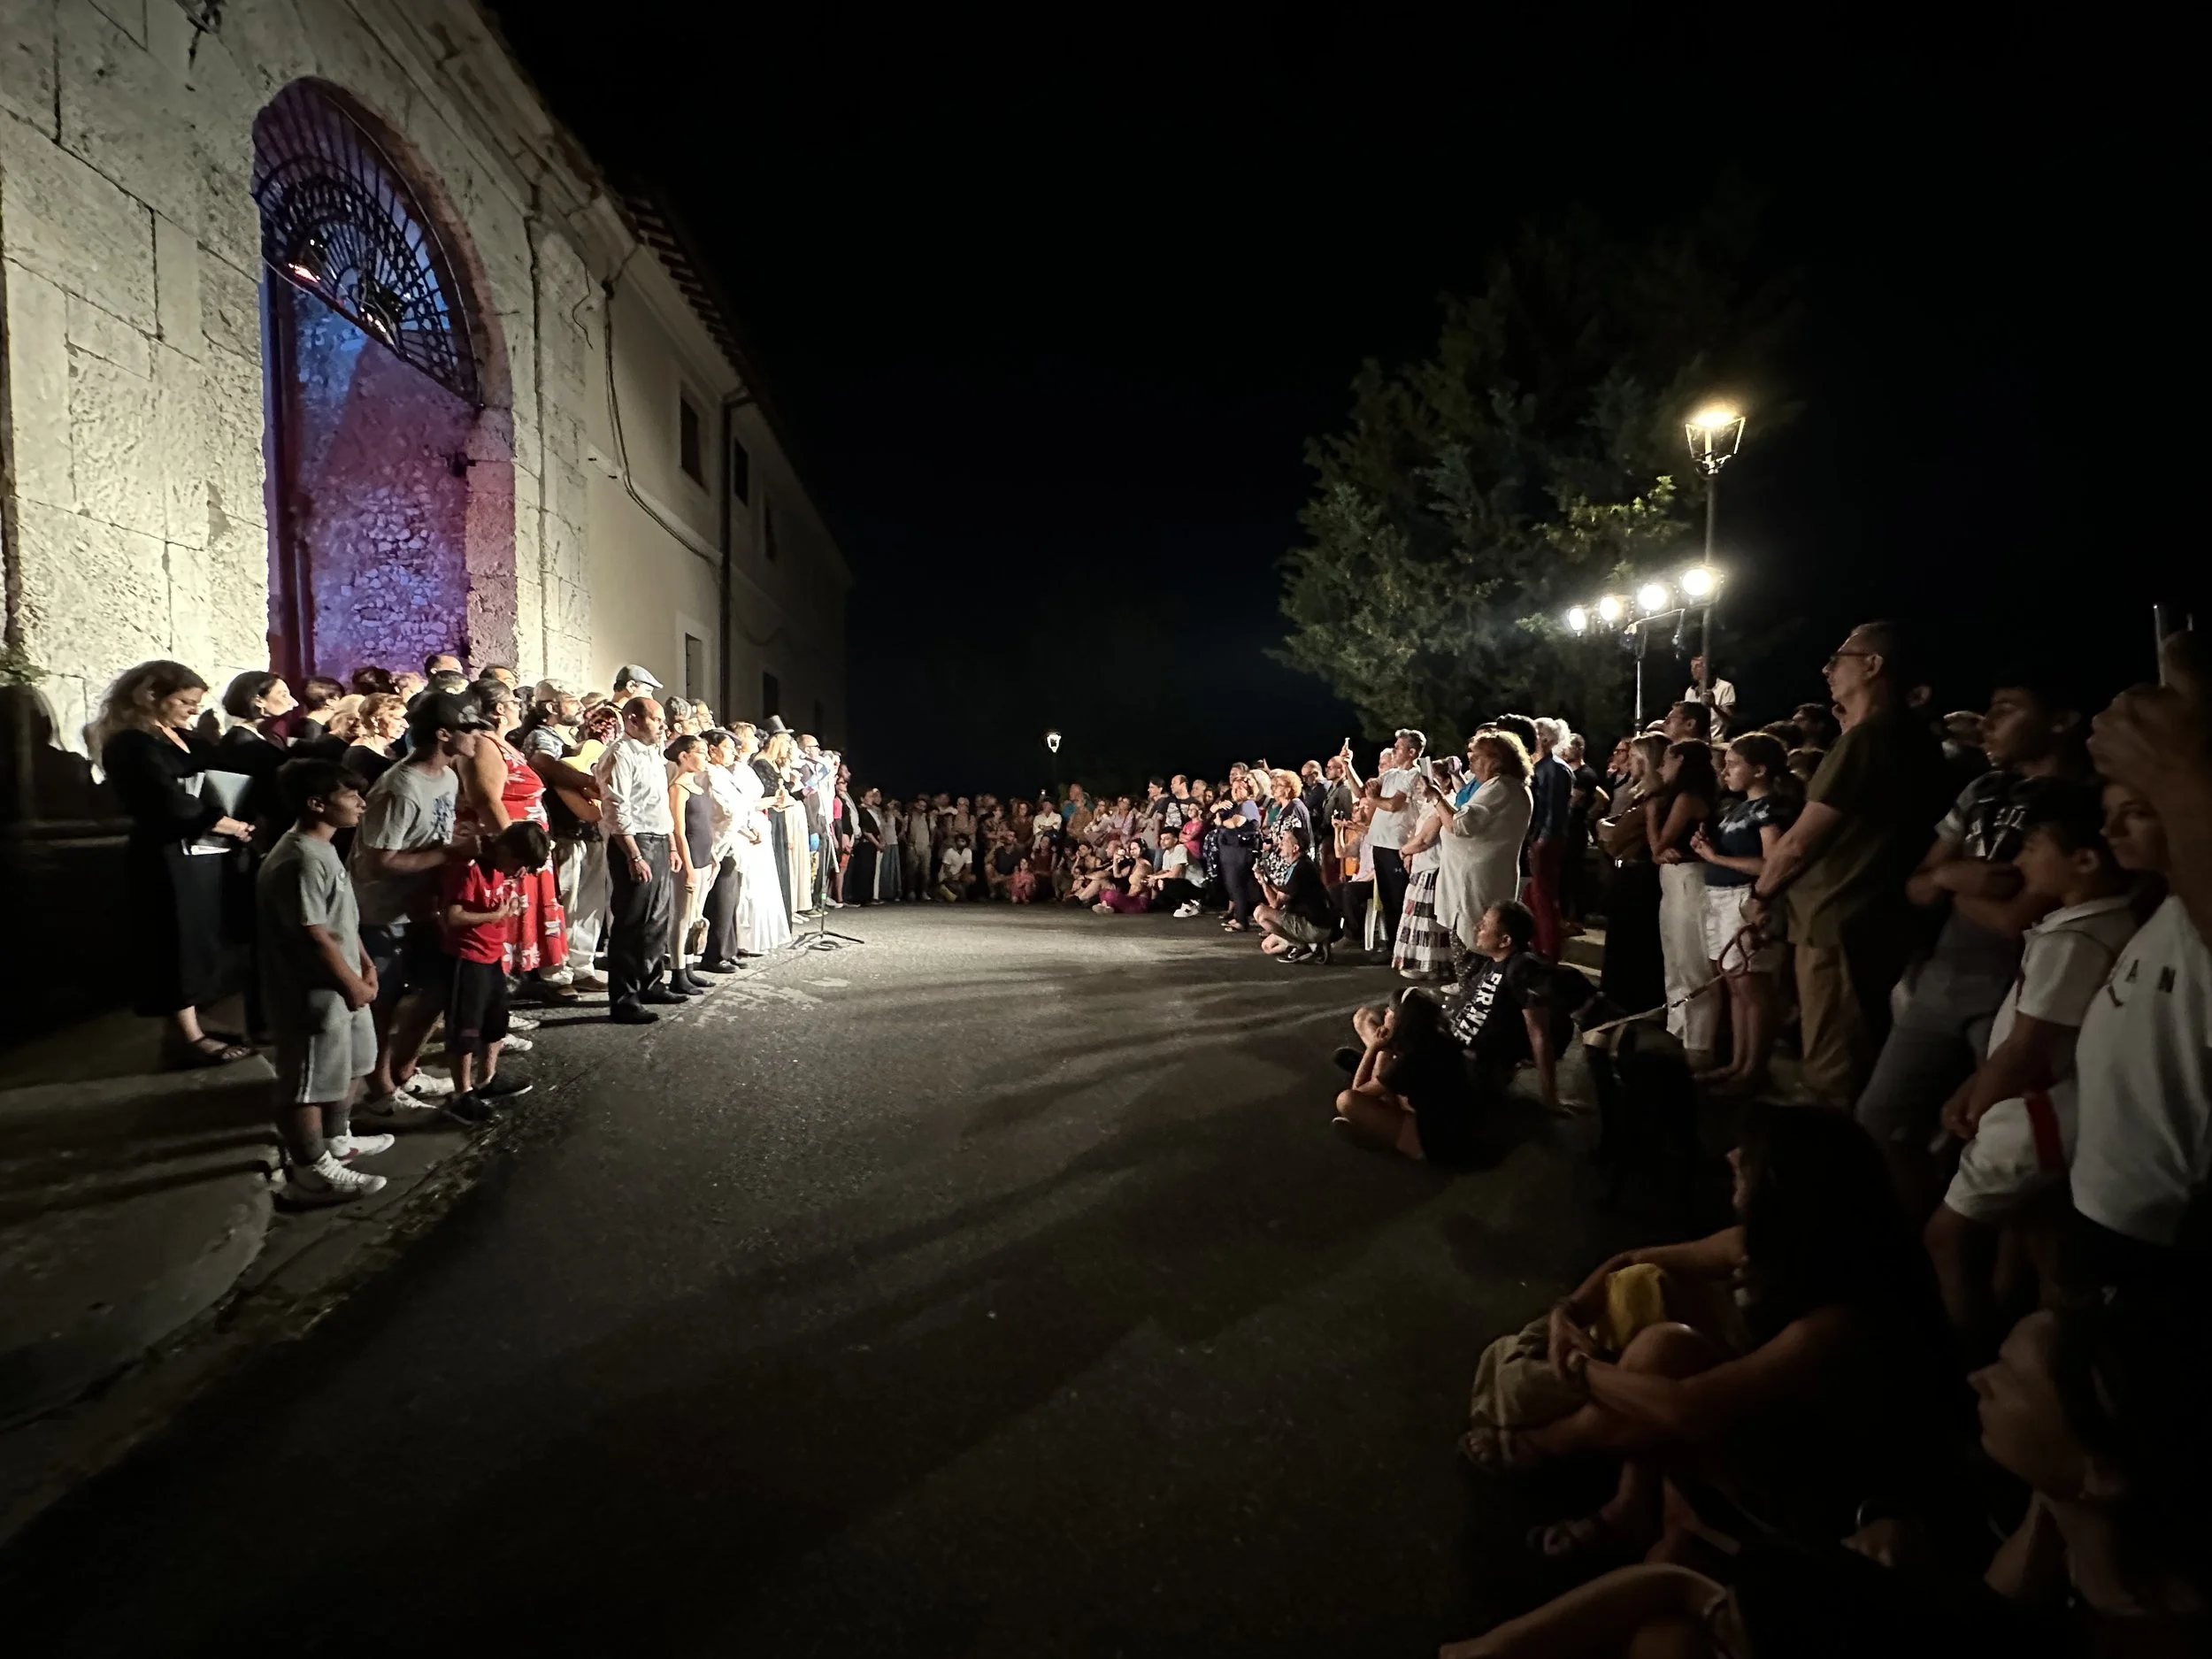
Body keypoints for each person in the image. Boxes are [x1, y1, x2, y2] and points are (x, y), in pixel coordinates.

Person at [1466, 1105, 1959, 1567]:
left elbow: (1690, 1407)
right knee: (1662, 1343)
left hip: (1833, 1486)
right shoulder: (1778, 1248)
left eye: (1749, 1158)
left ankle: (1551, 1447)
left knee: (1662, 1367)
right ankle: (1633, 1505)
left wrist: (1579, 1367)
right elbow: (1634, 1259)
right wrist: (1565, 1314)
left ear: (1784, 1192)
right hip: (1781, 1421)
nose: (1731, 1156)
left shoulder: (1838, 1320)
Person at [1856, 671, 2094, 1201]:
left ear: (2061, 721)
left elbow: (2020, 918)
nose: (1987, 724)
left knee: (2006, 1138)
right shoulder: (1982, 790)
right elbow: (1918, 884)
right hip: (1945, 978)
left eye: (2007, 708)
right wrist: (1949, 877)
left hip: (2021, 994)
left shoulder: (2084, 801)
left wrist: (1952, 882)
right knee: (1880, 1118)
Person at [1923, 785, 2139, 1352]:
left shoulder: (2077, 939)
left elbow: (2026, 1049)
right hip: (2041, 1113)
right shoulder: (2093, 925)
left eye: (2032, 848)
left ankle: (1963, 1351)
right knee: (2040, 1237)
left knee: (1944, 1235)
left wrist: (1973, 1104)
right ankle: (2034, 1338)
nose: (2017, 861)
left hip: (2031, 1116)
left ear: (2085, 861)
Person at [1746, 622, 1955, 1109]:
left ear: (1873, 665)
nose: (1827, 669)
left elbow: (1800, 843)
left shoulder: (1869, 742)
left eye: (1838, 657)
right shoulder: (1901, 737)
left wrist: (1761, 897)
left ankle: (1829, 1174)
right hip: (1867, 918)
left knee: (1832, 1069)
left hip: (1836, 921)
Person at [96, 662, 257, 1066]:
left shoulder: (186, 739)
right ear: (150, 696)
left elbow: (220, 776)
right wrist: (222, 822)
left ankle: (192, 1022)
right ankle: (185, 1037)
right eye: (184, 702)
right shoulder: (130, 744)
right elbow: (160, 799)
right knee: (176, 941)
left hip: (205, 850)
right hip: (167, 854)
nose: (191, 710)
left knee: (203, 936)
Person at [257, 758, 392, 1202]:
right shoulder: (298, 857)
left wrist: (365, 964)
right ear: (316, 804)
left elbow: (340, 920)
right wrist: (351, 982)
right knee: (309, 1079)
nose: (360, 803)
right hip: (312, 990)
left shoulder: (325, 847)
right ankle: (311, 1167)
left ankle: (338, 1139)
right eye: (349, 796)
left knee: (350, 1063)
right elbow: (312, 932)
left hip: (341, 984)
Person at [350, 691, 483, 1122]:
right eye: (469, 729)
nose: (478, 737)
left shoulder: (445, 778)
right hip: (383, 913)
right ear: (444, 734)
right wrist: (449, 855)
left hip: (422, 909)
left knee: (438, 990)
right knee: (383, 1003)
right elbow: (379, 859)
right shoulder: (401, 787)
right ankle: (380, 1090)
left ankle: (403, 1071)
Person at [1690, 733, 1797, 1094]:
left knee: (1753, 987)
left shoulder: (1770, 809)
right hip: (1720, 897)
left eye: (1734, 764)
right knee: (1735, 985)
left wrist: (1716, 858)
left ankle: (1754, 1068)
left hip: (1744, 898)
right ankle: (1738, 1063)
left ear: (1760, 769)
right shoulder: (1737, 807)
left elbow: (1773, 862)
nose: (1726, 771)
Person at [455, 679, 570, 999]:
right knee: (502, 924)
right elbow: (487, 800)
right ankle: (493, 1007)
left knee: (519, 922)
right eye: (513, 702)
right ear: (498, 710)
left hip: (523, 847)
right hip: (507, 849)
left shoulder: (500, 742)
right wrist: (512, 850)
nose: (520, 707)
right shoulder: (483, 745)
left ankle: (509, 997)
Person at [439, 821, 549, 1124]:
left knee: (496, 1020)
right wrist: (495, 915)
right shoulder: (469, 867)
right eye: (519, 863)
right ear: (505, 849)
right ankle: (462, 1093)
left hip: (492, 954)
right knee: (465, 1026)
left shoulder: (505, 868)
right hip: (467, 956)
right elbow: (453, 916)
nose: (519, 871)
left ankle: (487, 1079)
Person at [595, 696, 685, 1024]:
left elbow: (659, 807)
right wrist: (633, 853)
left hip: (658, 839)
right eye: (657, 719)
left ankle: (651, 982)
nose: (664, 725)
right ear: (632, 720)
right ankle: (624, 998)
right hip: (636, 842)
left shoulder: (652, 755)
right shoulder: (620, 754)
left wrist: (672, 846)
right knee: (632, 922)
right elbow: (616, 807)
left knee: (658, 918)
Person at [1440, 899, 1560, 1113]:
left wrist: (1550, 1098)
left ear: (1505, 940)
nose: (1477, 927)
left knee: (1370, 1023)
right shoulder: (1494, 962)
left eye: (1485, 924)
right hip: (1455, 1048)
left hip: (1472, 1066)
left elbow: (1539, 1033)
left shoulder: (1522, 968)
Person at [1330, 988, 1478, 1160]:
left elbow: (1358, 1094)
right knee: (1388, 1074)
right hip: (1461, 1123)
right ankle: (1380, 1125)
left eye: (1390, 1011)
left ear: (1401, 1019)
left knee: (1346, 1101)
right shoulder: (1436, 1038)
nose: (1385, 1012)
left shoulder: (1410, 1059)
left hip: (1437, 1143)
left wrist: (1375, 1048)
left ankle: (1378, 1136)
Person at [1435, 728, 1533, 967]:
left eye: (1477, 757)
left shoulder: (1501, 787)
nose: (1471, 762)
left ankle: (1476, 997)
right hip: (1477, 876)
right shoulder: (1505, 787)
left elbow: (1461, 824)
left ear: (1496, 759)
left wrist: (1436, 797)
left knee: (1477, 940)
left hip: (1476, 881)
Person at [1651, 738, 1722, 1067]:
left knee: (1690, 961)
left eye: (1667, 759)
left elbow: (1659, 844)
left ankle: (1699, 1043)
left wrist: (1651, 814)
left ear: (1680, 760)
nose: (1661, 766)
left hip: (1688, 877)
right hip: (1673, 878)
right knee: (1674, 959)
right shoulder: (1680, 796)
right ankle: (1676, 1029)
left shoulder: (1688, 798)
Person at [1596, 734, 1668, 1015]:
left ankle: (1631, 1004)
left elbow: (1613, 836)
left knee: (1632, 946)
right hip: (1627, 875)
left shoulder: (1654, 798)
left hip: (1639, 879)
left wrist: (1606, 827)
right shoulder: (1638, 795)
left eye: (1636, 758)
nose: (1628, 762)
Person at [1361, 729, 1426, 954]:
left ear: (1412, 752)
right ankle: (1391, 948)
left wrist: (1374, 798)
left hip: (1396, 844)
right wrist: (1348, 765)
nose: (1394, 749)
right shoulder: (1391, 775)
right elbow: (1363, 791)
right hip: (1380, 843)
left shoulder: (1413, 775)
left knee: (1399, 899)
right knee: (1388, 900)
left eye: (1399, 747)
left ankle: (1402, 949)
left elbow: (1393, 805)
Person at [1390, 766, 1455, 980]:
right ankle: (1418, 961)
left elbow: (1425, 839)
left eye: (1429, 780)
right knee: (1416, 917)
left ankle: (1430, 965)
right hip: (1422, 865)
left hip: (1432, 867)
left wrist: (1404, 850)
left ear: (1445, 782)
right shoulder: (1428, 805)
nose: (1421, 786)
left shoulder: (1447, 803)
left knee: (1426, 920)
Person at [664, 733, 714, 994]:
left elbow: (705, 826)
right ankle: (677, 971)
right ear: (684, 756)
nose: (706, 758)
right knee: (682, 917)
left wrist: (713, 856)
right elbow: (679, 830)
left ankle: (691, 966)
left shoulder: (697, 786)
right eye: (701, 753)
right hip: (690, 858)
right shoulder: (678, 788)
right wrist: (688, 865)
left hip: (704, 856)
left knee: (696, 917)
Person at [1525, 718, 1576, 959]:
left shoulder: (1555, 768)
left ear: (1546, 739)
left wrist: (1541, 842)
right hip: (1535, 839)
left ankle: (1549, 952)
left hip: (1545, 842)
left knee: (1543, 897)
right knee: (1532, 897)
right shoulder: (1538, 766)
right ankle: (1537, 946)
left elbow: (1554, 812)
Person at [1254, 823, 1340, 963]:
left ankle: (1301, 945)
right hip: (1317, 922)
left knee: (1260, 912)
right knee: (1267, 946)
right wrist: (1266, 881)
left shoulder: (1300, 869)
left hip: (1314, 925)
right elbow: (1283, 893)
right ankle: (1313, 946)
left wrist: (1263, 882)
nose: (1280, 844)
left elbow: (1275, 904)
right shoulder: (1301, 865)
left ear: (1295, 848)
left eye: (1285, 841)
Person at [342, 692, 407, 787]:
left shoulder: (392, 749)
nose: (405, 725)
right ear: (375, 721)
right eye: (398, 719)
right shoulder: (358, 757)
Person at [1683, 652, 1737, 739]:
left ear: (1709, 667)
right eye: (1692, 667)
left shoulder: (1724, 687)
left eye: (1697, 666)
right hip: (1695, 741)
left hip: (1716, 741)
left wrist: (1714, 706)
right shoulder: (1690, 691)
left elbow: (1729, 721)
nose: (1693, 670)